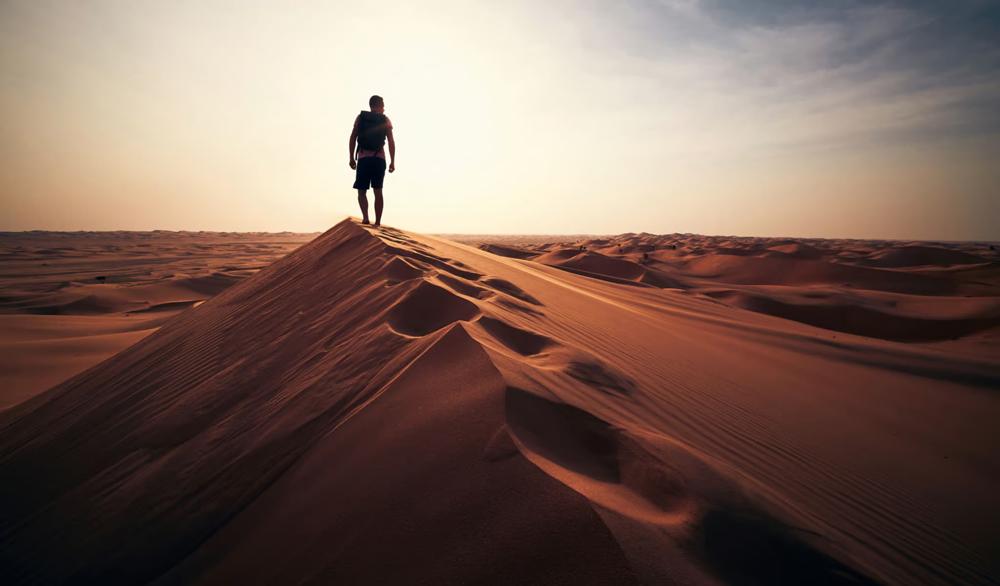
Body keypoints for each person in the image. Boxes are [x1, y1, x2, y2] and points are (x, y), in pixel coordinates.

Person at [349, 95, 395, 227]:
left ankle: (365, 217)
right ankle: (378, 222)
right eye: (383, 105)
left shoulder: (361, 118)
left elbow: (352, 137)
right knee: (378, 190)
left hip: (364, 158)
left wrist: (351, 157)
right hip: (379, 159)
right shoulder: (385, 120)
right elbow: (391, 141)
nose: (384, 108)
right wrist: (392, 161)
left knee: (361, 191)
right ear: (379, 105)